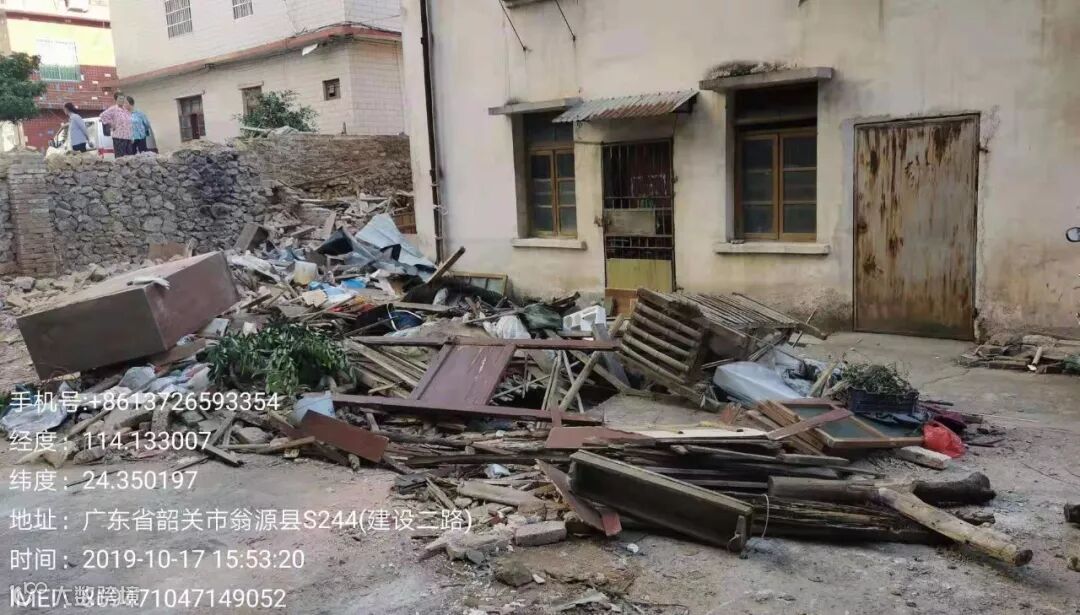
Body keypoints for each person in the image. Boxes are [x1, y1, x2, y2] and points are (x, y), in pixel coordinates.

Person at [99, 92, 133, 157]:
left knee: (129, 158)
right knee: (120, 158)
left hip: (128, 137)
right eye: (120, 98)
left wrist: (131, 136)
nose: (121, 100)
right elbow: (102, 116)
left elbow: (129, 124)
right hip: (119, 137)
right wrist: (111, 124)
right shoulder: (113, 109)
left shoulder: (126, 110)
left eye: (123, 99)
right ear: (115, 99)